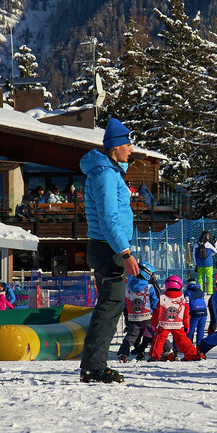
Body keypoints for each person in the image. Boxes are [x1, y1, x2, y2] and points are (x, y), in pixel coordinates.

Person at [77, 118, 141, 384]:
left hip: (108, 246)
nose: (131, 149)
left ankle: (94, 364)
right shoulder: (105, 174)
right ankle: (93, 366)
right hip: (108, 248)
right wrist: (125, 252)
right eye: (127, 144)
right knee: (109, 306)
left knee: (111, 306)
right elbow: (107, 217)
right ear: (115, 147)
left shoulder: (110, 172)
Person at [149, 276, 204, 361]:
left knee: (159, 339)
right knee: (183, 340)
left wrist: (153, 324)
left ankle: (155, 355)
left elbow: (156, 313)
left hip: (164, 324)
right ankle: (192, 354)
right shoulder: (182, 299)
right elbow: (186, 314)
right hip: (177, 324)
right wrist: (187, 325)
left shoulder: (162, 298)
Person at [118, 272, 159, 362]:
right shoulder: (149, 287)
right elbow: (155, 302)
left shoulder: (127, 287)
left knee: (130, 336)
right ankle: (167, 350)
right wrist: (155, 311)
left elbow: (125, 302)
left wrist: (127, 312)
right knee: (156, 334)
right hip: (147, 316)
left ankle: (123, 353)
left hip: (133, 317)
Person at [185, 278, 208, 346]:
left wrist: (186, 311)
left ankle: (189, 345)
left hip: (195, 311)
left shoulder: (188, 291)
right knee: (201, 329)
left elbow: (187, 302)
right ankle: (200, 345)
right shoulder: (200, 290)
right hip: (204, 311)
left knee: (191, 329)